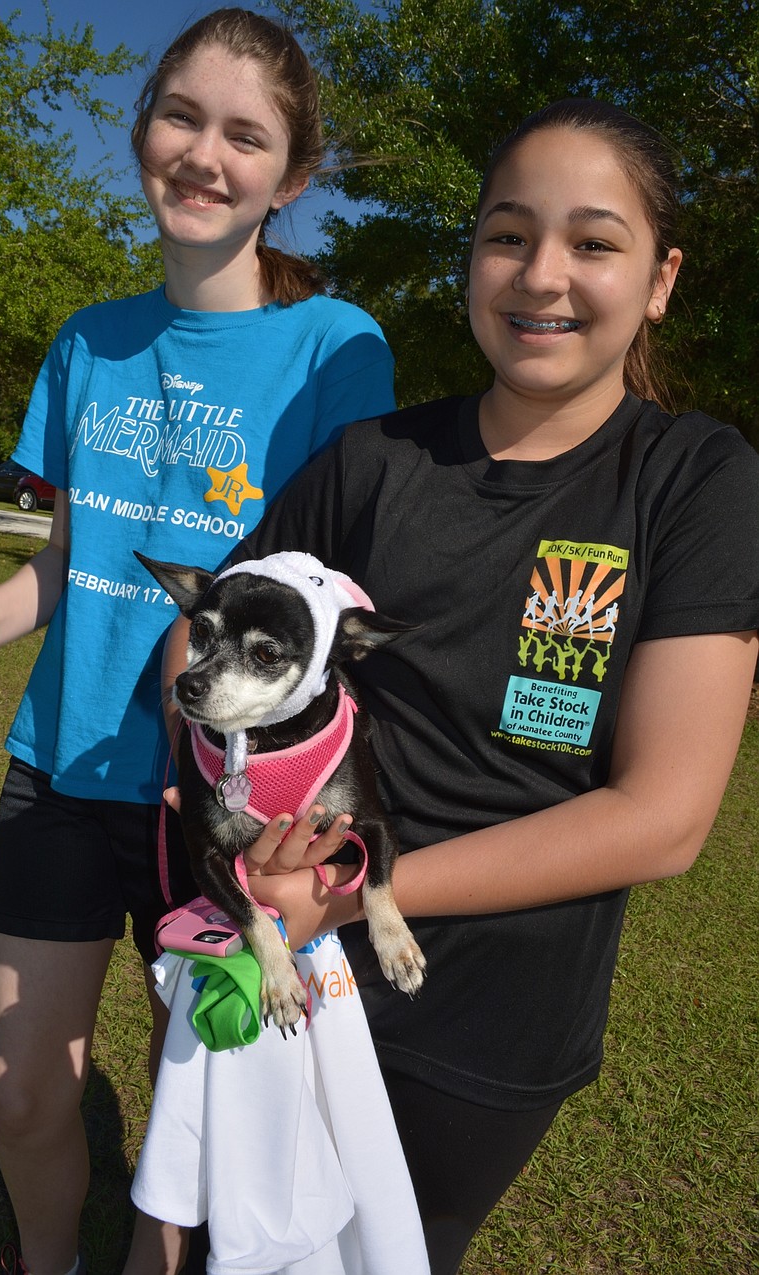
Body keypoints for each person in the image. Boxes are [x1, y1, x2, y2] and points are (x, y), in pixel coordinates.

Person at [160, 98, 759, 1274]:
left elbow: (665, 816)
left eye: (593, 242)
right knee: (209, 1237)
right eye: (505, 234)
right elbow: (200, 639)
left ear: (660, 278)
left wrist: (347, 897)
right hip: (282, 937)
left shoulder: (696, 480)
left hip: (489, 1017)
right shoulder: (367, 461)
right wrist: (226, 841)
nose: (542, 276)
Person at [0, 9, 395, 1275]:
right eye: (181, 117)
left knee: (204, 1095)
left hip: (228, 800)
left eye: (246, 136)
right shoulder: (87, 340)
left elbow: (333, 588)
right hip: (60, 775)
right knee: (24, 1097)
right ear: (141, 134)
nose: (203, 154)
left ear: (286, 182)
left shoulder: (336, 349)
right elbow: (64, 567)